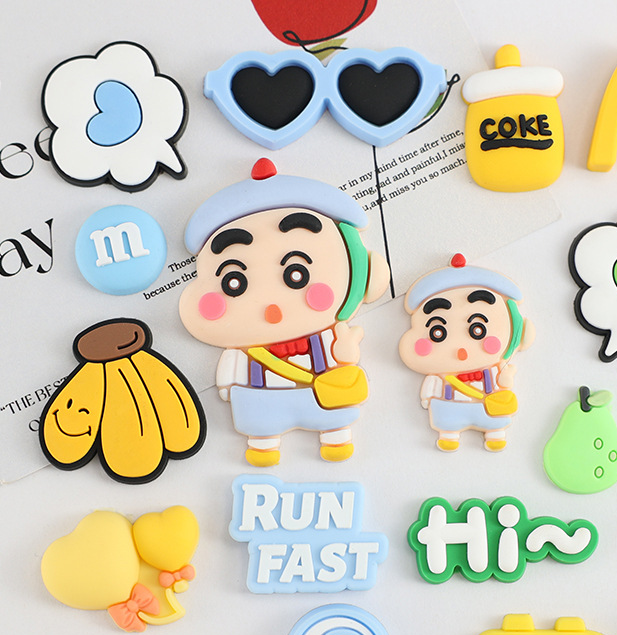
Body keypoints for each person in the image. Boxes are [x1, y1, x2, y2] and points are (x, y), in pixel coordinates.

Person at [180, 158, 389, 465]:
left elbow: (344, 358)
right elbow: (229, 377)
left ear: (358, 270)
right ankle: (263, 445)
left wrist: (346, 349)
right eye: (234, 282)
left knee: (332, 417)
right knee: (262, 425)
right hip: (262, 400)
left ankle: (335, 436)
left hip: (318, 397)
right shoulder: (240, 350)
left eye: (296, 274)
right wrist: (228, 383)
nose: (271, 307)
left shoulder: (327, 335)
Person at [399, 253, 534, 451]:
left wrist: (507, 376)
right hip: (450, 407)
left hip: (486, 407)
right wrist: (427, 398)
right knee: (448, 422)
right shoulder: (438, 375)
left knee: (494, 420)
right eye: (438, 332)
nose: (460, 349)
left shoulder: (494, 369)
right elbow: (430, 390)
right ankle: (449, 436)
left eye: (477, 329)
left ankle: (495, 434)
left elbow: (504, 382)